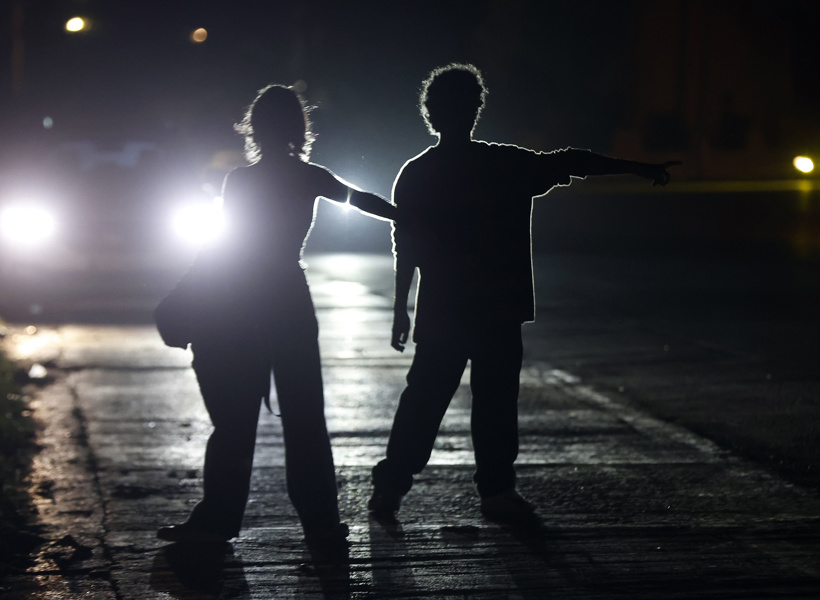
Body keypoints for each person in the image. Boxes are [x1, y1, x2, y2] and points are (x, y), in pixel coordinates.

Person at [368, 64, 679, 521]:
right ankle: (495, 492)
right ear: (476, 109)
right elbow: (572, 159)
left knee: (424, 401)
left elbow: (406, 247)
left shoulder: (417, 173)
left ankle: (391, 489)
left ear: (430, 113)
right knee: (494, 404)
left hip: (445, 311)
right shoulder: (505, 165)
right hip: (498, 308)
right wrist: (636, 167)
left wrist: (401, 310)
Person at [156, 84, 397, 562]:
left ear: (255, 129)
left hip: (244, 307)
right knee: (306, 422)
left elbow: (226, 246)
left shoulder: (240, 181)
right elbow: (360, 199)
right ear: (297, 129)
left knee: (234, 423)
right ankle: (323, 527)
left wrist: (186, 297)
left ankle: (217, 520)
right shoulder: (310, 176)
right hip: (290, 304)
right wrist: (409, 216)